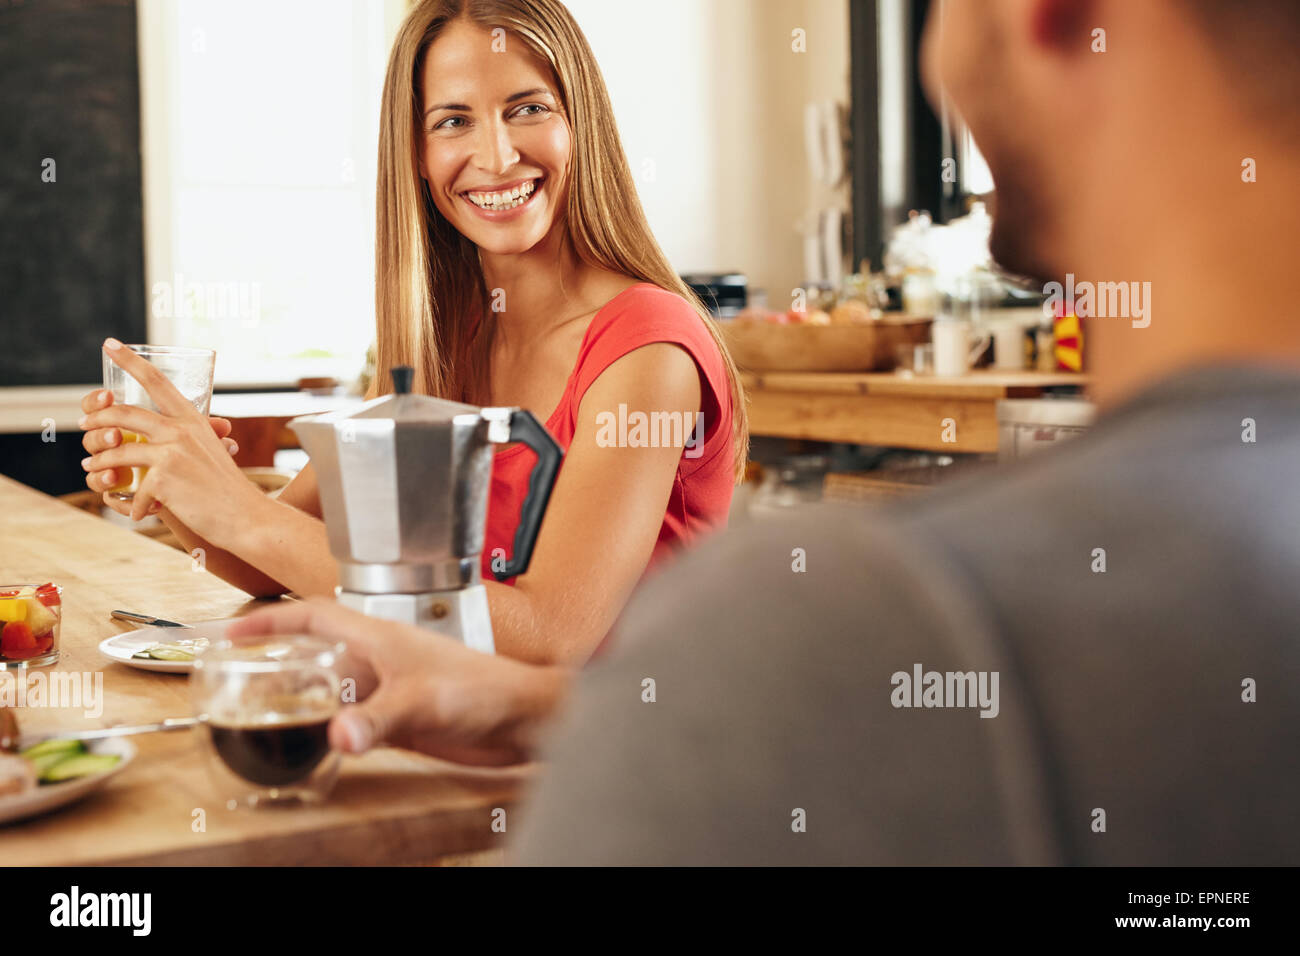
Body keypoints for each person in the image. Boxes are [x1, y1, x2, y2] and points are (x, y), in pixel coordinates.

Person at [231, 0, 1300, 865]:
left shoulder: (849, 627)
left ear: (1045, 13)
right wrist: (520, 705)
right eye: (451, 119)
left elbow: (615, 654)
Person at [77, 0, 748, 666]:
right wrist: (182, 478)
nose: (498, 154)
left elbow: (548, 637)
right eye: (454, 121)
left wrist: (245, 514)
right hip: (474, 745)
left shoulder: (649, 348)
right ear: (418, 158)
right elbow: (276, 561)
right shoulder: (448, 338)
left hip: (629, 758)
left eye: (529, 108)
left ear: (581, 122)